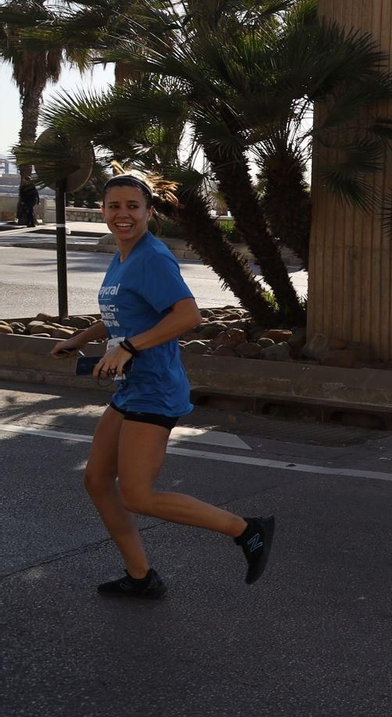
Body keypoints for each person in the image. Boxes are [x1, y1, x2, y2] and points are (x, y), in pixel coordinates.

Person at [49, 173, 275, 599]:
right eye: (114, 206)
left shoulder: (152, 256)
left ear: (149, 213)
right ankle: (141, 577)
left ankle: (247, 529)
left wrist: (130, 347)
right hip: (131, 387)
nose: (122, 214)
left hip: (155, 390)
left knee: (136, 495)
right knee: (97, 480)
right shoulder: (124, 257)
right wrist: (82, 338)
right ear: (102, 210)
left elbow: (188, 315)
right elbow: (125, 312)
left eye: (132, 206)